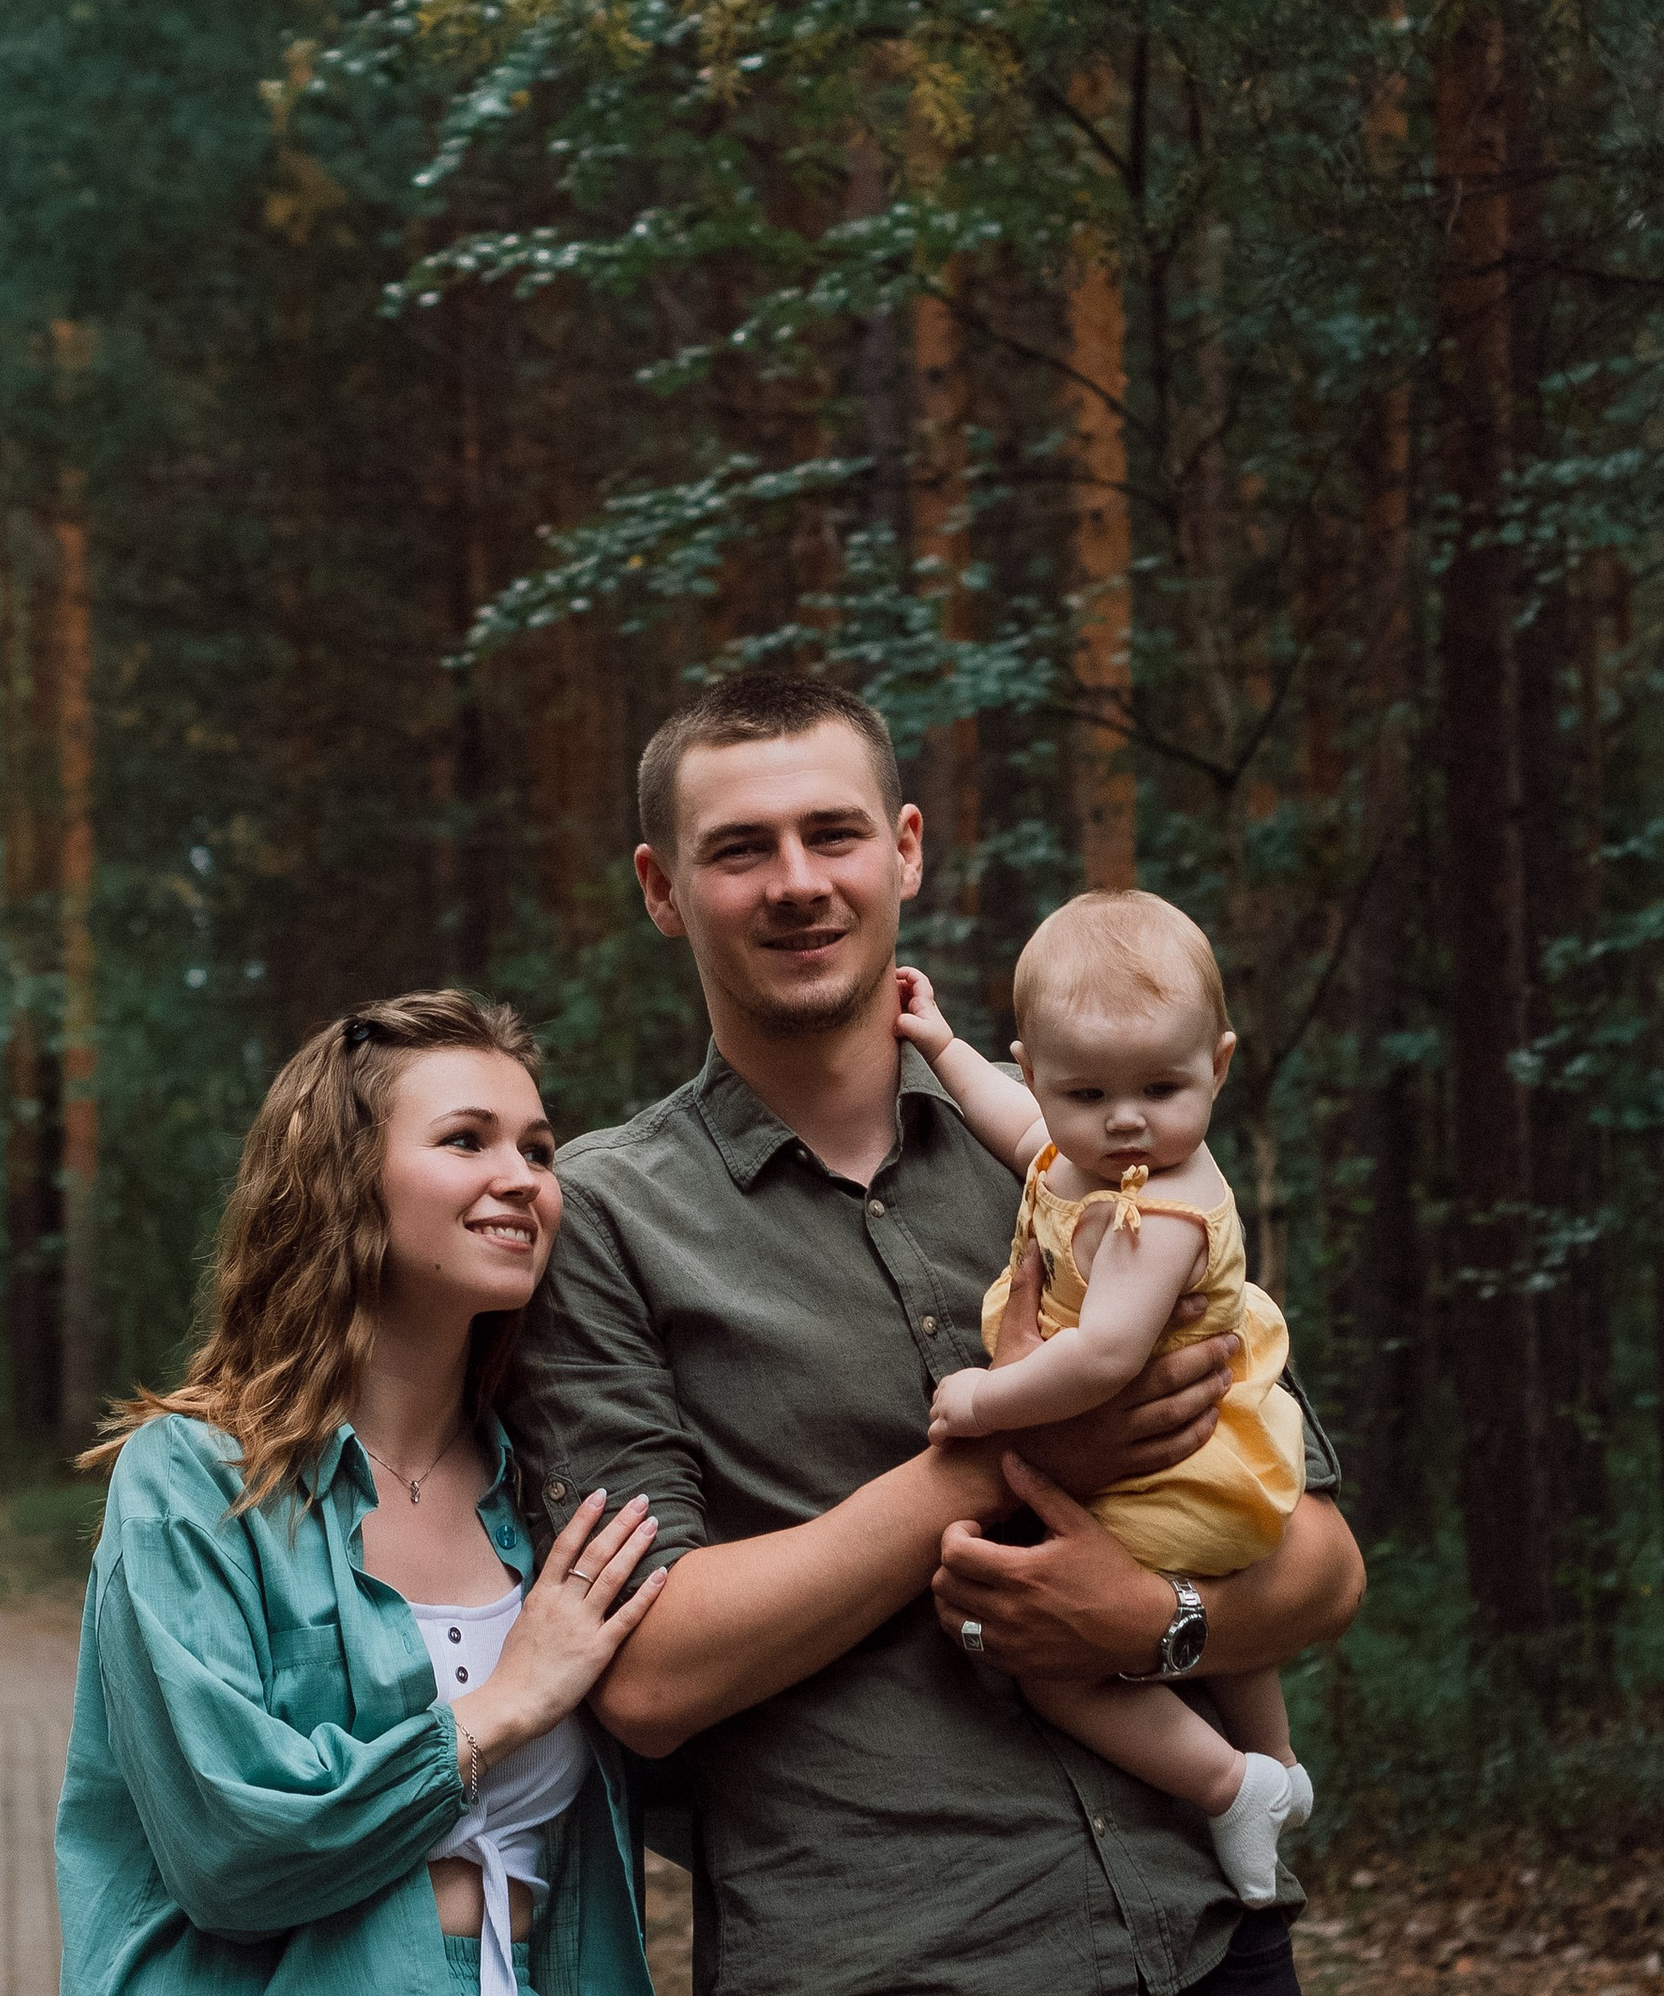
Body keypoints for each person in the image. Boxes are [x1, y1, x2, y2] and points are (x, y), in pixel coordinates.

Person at [506, 673, 1366, 1996]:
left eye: (832, 833)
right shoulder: (605, 1219)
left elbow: (1323, 1565)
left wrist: (1153, 1620)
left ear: (904, 849)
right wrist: (997, 1466)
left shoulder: (1093, 1136)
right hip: (888, 1954)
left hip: (1208, 1939)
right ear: (661, 888)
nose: (798, 882)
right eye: (739, 850)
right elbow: (650, 1678)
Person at [54, 989, 664, 1996]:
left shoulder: (543, 1490)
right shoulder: (198, 1482)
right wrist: (504, 1705)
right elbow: (230, 1852)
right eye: (466, 1140)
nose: (522, 1178)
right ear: (342, 1180)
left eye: (538, 1150)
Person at [895, 892, 1312, 1908]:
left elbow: (1104, 1359)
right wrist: (942, 1045)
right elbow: (1018, 1129)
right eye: (1086, 1093)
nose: (1126, 1121)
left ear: (1218, 1065)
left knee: (1052, 1665)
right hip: (1199, 1461)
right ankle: (1279, 1759)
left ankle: (1231, 1785)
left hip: (1170, 1460)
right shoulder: (1083, 1152)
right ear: (1034, 1071)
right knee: (1212, 1577)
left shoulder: (1160, 1209)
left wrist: (986, 1400)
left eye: (1162, 1088)